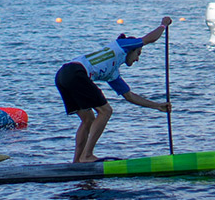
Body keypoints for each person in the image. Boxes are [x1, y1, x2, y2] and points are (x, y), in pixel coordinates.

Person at [54, 18, 173, 163]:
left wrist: (157, 105)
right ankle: (87, 156)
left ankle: (77, 162)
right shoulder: (122, 46)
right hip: (75, 72)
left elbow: (130, 96)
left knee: (88, 119)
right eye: (138, 54)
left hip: (62, 75)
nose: (137, 59)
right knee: (106, 111)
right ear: (132, 49)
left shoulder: (112, 72)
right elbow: (148, 39)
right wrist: (163, 25)